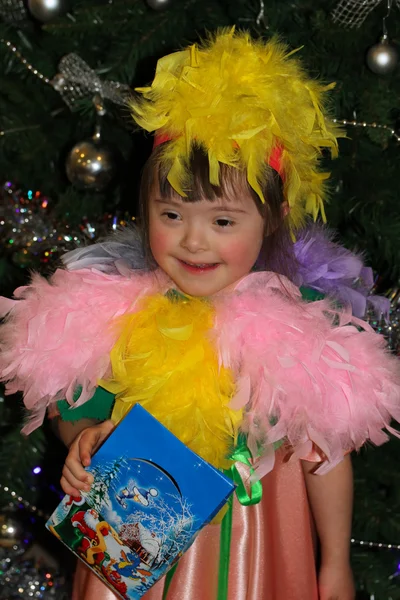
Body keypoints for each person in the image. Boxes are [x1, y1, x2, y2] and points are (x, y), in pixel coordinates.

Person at [1, 29, 399, 600]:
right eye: (171, 213)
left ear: (273, 219)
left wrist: (334, 561)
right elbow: (74, 408)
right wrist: (83, 439)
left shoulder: (304, 322)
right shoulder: (114, 312)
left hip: (261, 555)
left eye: (222, 221)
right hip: (136, 549)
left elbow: (326, 458)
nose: (193, 242)